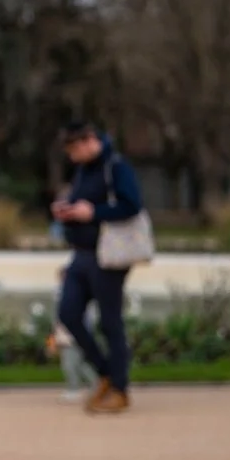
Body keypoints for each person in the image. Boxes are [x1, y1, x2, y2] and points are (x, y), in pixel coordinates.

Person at [51, 122, 144, 415]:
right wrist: (68, 211)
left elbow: (132, 205)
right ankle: (105, 372)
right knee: (68, 313)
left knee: (109, 322)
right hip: (81, 255)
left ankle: (120, 389)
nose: (72, 156)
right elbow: (85, 204)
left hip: (107, 255)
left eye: (75, 149)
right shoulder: (83, 170)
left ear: (90, 141)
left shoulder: (116, 167)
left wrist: (93, 212)